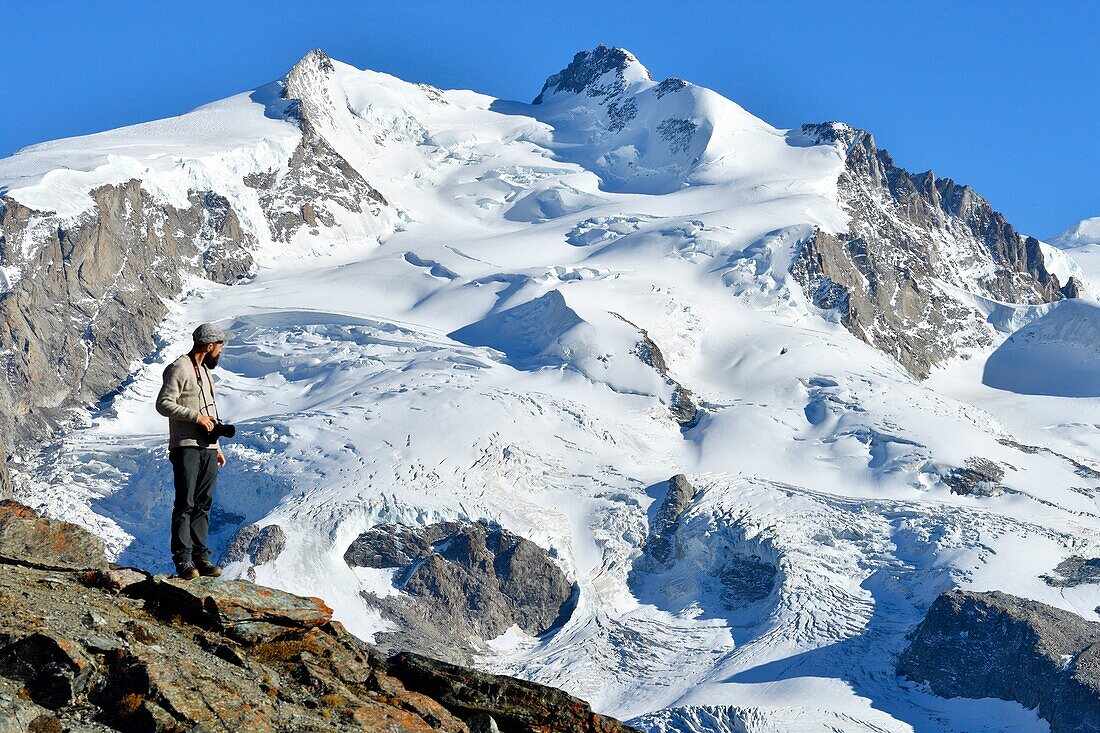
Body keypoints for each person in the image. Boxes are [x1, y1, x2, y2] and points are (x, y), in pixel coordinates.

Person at [155, 323, 231, 579]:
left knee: (204, 504)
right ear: (210, 346)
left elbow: (208, 412)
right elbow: (163, 403)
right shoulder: (180, 367)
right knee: (186, 503)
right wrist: (195, 417)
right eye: (220, 346)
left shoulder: (205, 372)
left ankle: (201, 558)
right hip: (186, 445)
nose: (220, 351)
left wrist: (216, 445)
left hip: (207, 448)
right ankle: (184, 561)